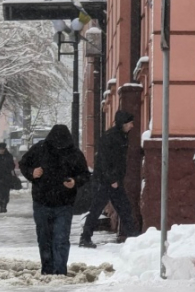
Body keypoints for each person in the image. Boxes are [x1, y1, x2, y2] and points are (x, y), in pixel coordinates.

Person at [19, 124, 90, 275]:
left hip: (64, 203)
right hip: (42, 201)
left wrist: (74, 182)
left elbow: (85, 174)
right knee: (45, 238)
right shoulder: (40, 149)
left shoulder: (74, 153)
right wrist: (32, 172)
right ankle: (47, 269)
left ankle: (59, 271)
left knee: (61, 238)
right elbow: (23, 163)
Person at [79, 110, 138, 248]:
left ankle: (132, 236)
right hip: (106, 181)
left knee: (123, 208)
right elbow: (104, 160)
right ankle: (85, 237)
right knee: (98, 209)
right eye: (130, 123)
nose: (132, 126)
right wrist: (112, 179)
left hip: (112, 180)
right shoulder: (111, 137)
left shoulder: (121, 136)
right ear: (123, 123)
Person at [0, 142, 16, 213]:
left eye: (3, 149)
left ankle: (4, 205)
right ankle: (1, 205)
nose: (1, 150)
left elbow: (12, 166)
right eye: (0, 149)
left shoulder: (8, 156)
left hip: (6, 177)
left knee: (6, 193)